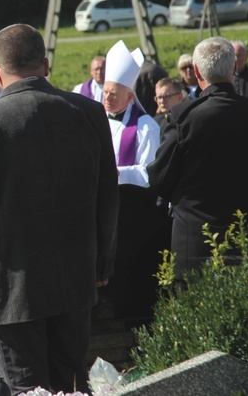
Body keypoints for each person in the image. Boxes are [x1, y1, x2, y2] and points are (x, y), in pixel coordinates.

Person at [0, 24, 118, 394]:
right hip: (73, 278)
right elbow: (107, 197)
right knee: (72, 385)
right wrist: (101, 264)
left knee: (26, 388)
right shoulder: (88, 113)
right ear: (46, 65)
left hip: (9, 286)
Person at [148, 37, 248, 281]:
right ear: (235, 68)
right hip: (244, 236)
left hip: (194, 243)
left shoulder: (184, 117)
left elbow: (159, 178)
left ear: (196, 71)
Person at [102, 40, 169, 321]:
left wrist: (120, 172)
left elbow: (151, 172)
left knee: (128, 272)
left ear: (130, 96)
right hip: (103, 208)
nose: (107, 98)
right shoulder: (97, 119)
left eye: (114, 94)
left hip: (133, 212)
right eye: (105, 92)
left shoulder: (145, 127)